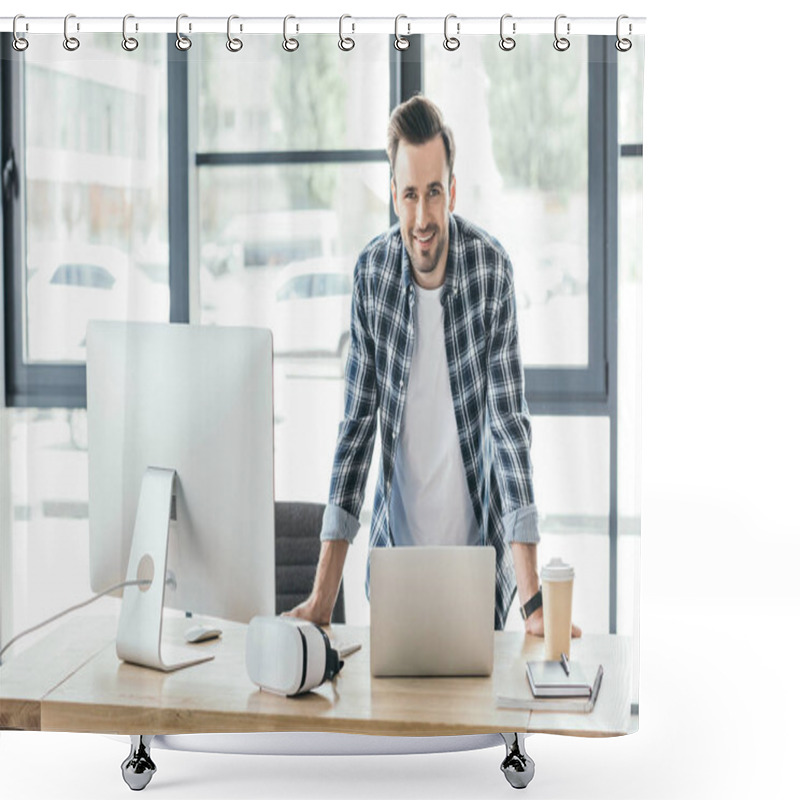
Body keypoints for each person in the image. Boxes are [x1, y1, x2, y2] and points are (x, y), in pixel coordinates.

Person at [287, 95, 580, 637]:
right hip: (397, 561)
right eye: (410, 196)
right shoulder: (371, 276)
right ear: (394, 196)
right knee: (401, 716)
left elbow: (509, 429)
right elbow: (355, 434)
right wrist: (322, 597)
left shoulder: (491, 271)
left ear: (453, 190)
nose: (423, 218)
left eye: (435, 193)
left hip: (477, 564)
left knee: (478, 720)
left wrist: (533, 600)